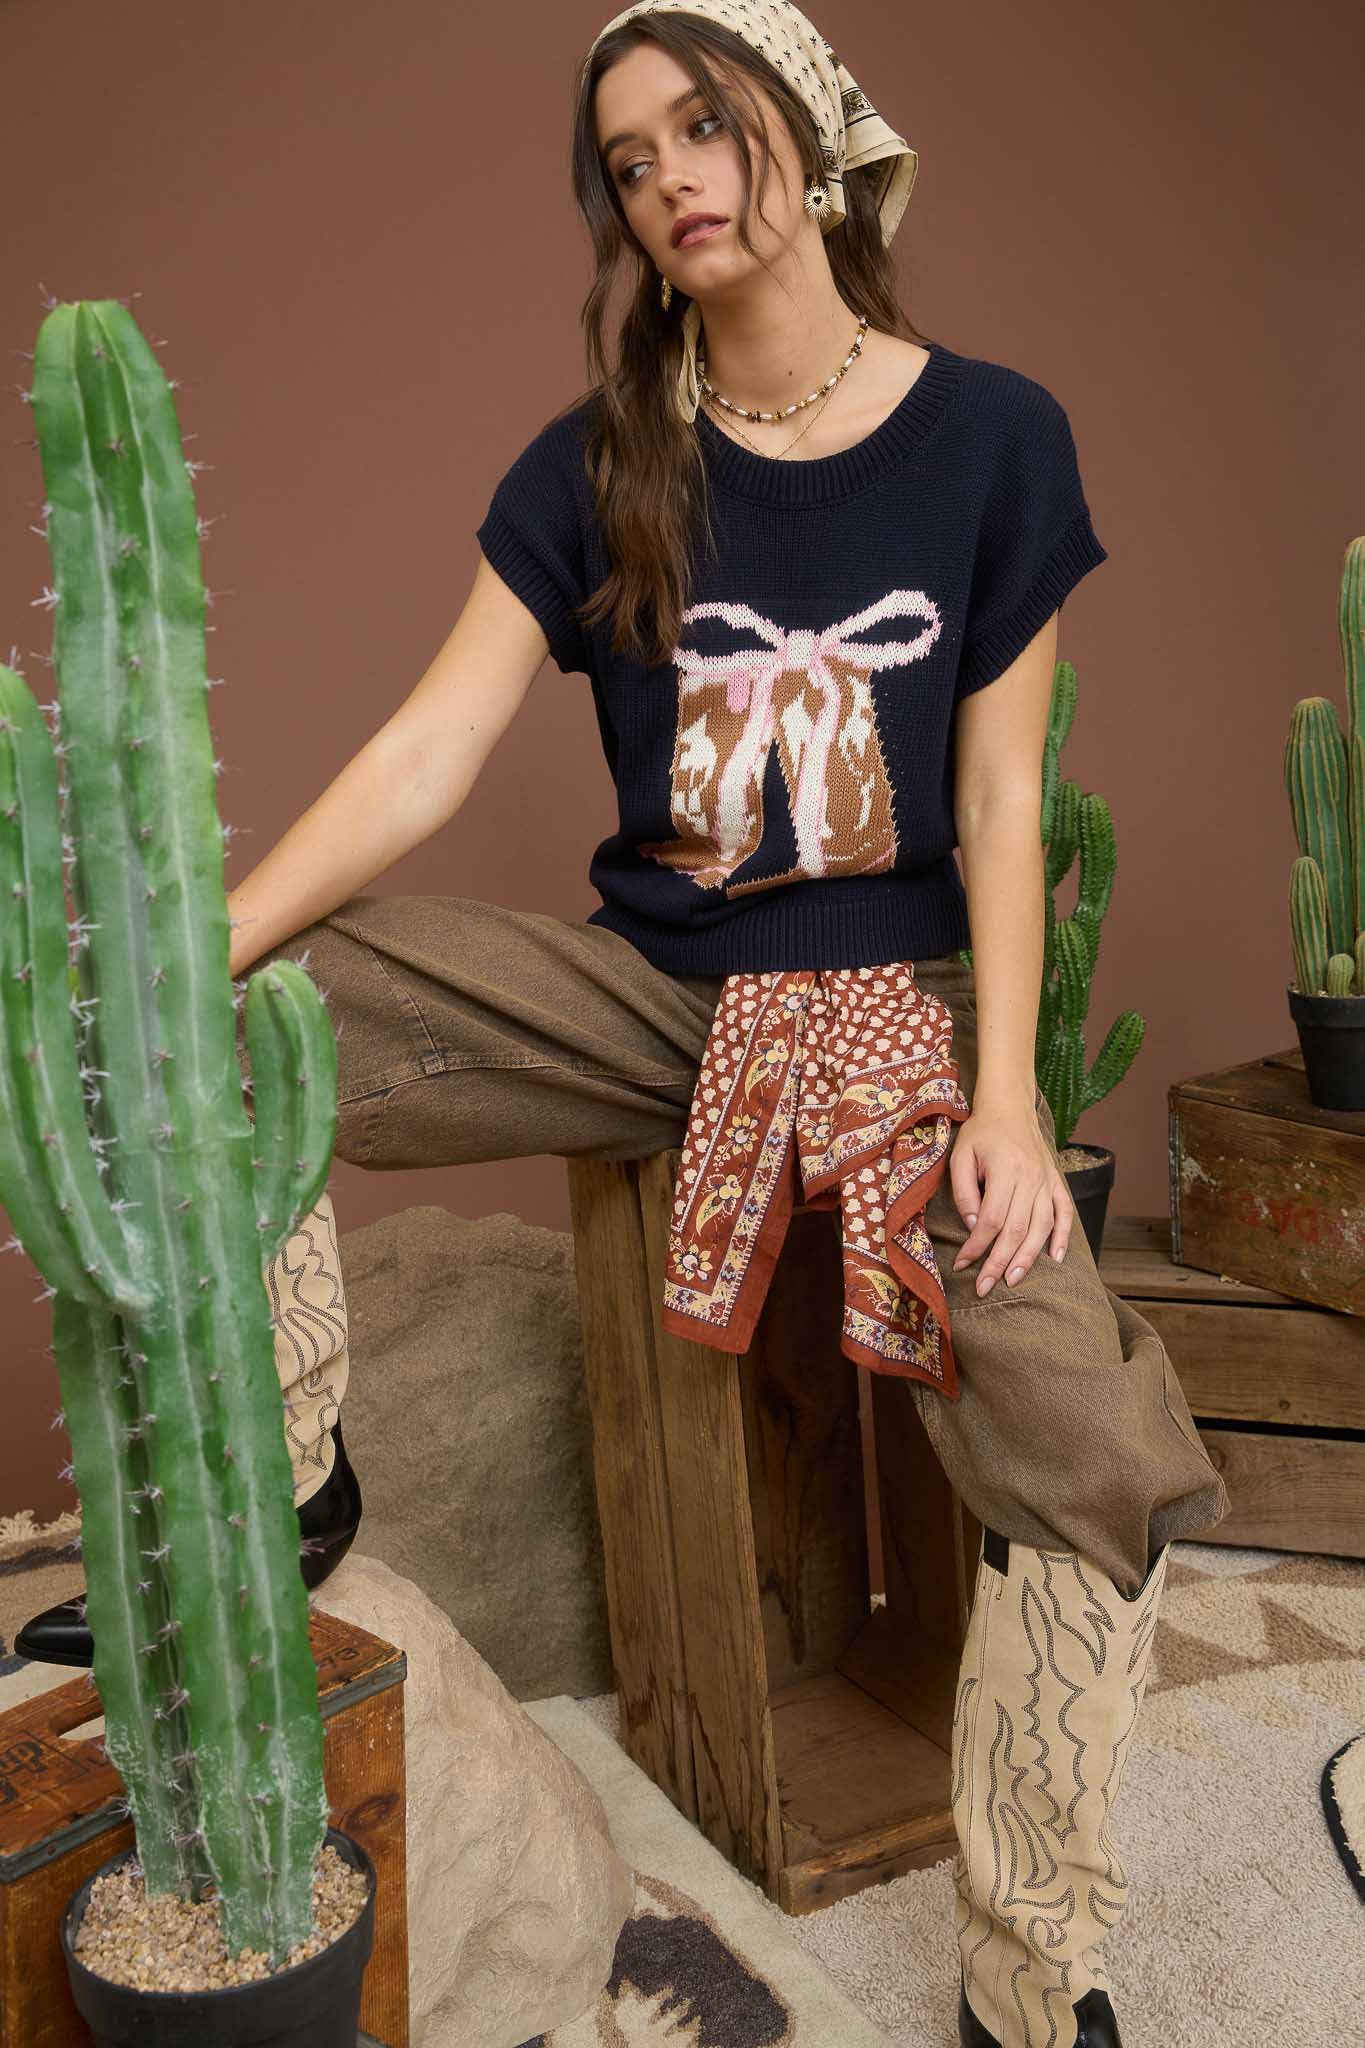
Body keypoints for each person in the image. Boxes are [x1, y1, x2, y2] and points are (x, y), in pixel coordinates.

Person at [23, 7, 1230, 2043]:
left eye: (702, 123)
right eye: (624, 155)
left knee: (1088, 1421)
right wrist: (187, 950)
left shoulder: (991, 437)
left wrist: (1007, 1101)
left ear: (814, 133)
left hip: (891, 1020)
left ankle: (1030, 1976)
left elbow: (1003, 795)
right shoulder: (599, 463)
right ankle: (279, 1480)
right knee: (272, 1004)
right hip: (647, 997)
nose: (664, 174)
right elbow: (426, 754)